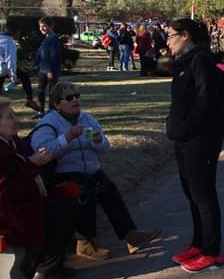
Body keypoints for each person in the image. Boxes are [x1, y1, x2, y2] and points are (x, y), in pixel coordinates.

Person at [31, 82, 160, 261]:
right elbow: (41, 151)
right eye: (69, 98)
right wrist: (65, 138)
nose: (75, 100)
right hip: (63, 172)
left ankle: (131, 236)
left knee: (108, 189)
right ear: (56, 103)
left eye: (77, 96)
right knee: (86, 189)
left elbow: (103, 148)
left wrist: (98, 141)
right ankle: (84, 242)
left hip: (90, 168)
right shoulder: (48, 124)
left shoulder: (87, 119)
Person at [0, 96, 80, 279]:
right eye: (9, 117)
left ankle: (55, 264)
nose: (16, 120)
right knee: (56, 212)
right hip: (8, 210)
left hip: (25, 198)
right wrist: (32, 165)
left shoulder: (13, 141)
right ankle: (43, 271)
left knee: (70, 199)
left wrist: (35, 169)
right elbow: (6, 188)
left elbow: (28, 161)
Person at [166, 19, 224, 272]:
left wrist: (187, 126)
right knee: (191, 193)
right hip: (184, 139)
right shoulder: (184, 62)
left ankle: (212, 252)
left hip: (200, 139)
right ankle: (199, 243)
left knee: (203, 195)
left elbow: (205, 101)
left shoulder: (201, 60)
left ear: (185, 35)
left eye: (170, 35)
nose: (167, 41)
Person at [0, 19, 42, 111]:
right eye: (19, 32)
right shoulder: (9, 42)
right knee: (24, 76)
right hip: (2, 69)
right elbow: (10, 62)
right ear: (15, 32)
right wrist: (13, 78)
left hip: (1, 69)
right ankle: (29, 99)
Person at [35, 17, 63, 115]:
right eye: (40, 27)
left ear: (51, 26)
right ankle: (41, 111)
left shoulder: (54, 38)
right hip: (42, 69)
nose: (41, 28)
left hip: (50, 71)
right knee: (40, 91)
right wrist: (37, 64)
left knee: (52, 92)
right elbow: (40, 53)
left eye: (44, 26)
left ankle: (52, 112)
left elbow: (54, 56)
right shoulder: (46, 38)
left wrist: (50, 71)